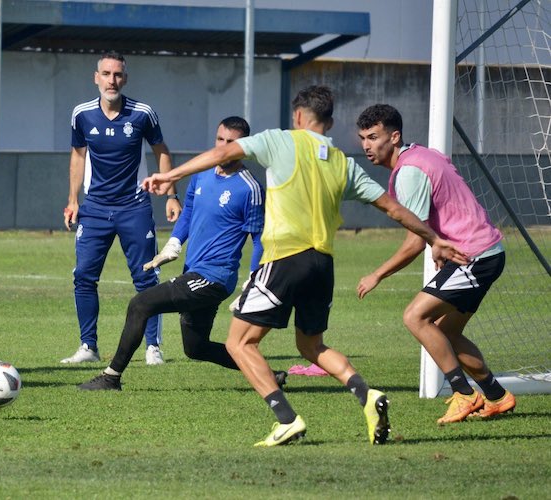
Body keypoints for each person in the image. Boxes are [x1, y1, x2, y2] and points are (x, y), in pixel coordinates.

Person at [143, 85, 467, 446]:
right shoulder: (343, 162)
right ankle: (367, 394)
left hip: (284, 258)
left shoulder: (281, 141)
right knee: (311, 345)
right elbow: (393, 208)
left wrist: (171, 176)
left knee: (239, 343)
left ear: (298, 116)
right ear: (328, 121)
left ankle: (287, 419)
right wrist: (433, 238)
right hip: (322, 264)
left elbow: (225, 152)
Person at [78, 116, 286, 390]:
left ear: (244, 146)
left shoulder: (249, 188)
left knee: (140, 304)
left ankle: (111, 377)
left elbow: (260, 239)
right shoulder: (202, 172)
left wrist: (253, 278)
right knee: (196, 347)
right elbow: (188, 212)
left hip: (215, 277)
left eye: (231, 142)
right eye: (220, 139)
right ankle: (270, 377)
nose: (223, 146)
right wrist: (173, 244)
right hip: (194, 271)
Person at [356, 104, 515, 423]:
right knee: (447, 334)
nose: (367, 145)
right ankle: (497, 396)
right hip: (483, 251)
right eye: (362, 138)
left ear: (394, 136)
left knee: (415, 316)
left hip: (473, 255)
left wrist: (377, 274)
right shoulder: (422, 156)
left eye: (374, 137)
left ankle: (464, 394)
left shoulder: (410, 171)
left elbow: (414, 241)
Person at [62, 51, 182, 365]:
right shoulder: (82, 114)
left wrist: (170, 194)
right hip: (96, 209)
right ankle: (88, 347)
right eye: (106, 74)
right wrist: (73, 200)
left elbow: (162, 152)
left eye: (117, 75)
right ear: (96, 77)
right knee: (84, 277)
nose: (111, 80)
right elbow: (78, 156)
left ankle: (153, 347)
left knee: (146, 278)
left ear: (124, 79)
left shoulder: (143, 113)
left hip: (134, 208)